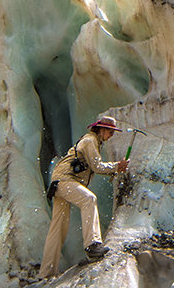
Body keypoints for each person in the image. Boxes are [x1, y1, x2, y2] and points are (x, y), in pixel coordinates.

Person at [37, 116, 129, 278]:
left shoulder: (92, 141)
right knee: (89, 199)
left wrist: (114, 169)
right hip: (66, 180)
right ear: (100, 129)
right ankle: (93, 245)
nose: (111, 135)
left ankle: (46, 272)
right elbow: (97, 166)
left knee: (58, 228)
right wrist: (116, 166)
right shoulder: (90, 141)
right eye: (109, 131)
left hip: (59, 181)